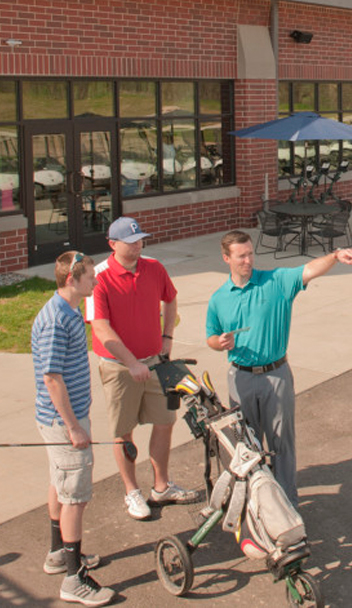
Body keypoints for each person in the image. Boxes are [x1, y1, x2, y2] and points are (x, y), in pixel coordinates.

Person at [206, 230, 352, 504]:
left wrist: (335, 256)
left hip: (276, 375)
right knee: (246, 445)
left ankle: (287, 501)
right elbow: (211, 337)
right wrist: (220, 342)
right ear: (226, 258)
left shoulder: (275, 281)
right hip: (240, 378)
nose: (248, 261)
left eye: (250, 254)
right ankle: (255, 502)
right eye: (241, 256)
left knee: (281, 443)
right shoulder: (219, 298)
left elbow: (309, 270)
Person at [91, 216, 202, 519]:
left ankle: (162, 486)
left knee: (166, 421)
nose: (138, 246)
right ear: (113, 244)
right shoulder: (98, 277)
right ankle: (132, 491)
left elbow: (171, 300)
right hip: (119, 368)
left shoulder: (154, 267)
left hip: (155, 363)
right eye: (131, 242)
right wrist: (130, 362)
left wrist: (167, 338)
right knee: (123, 431)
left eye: (140, 240)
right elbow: (100, 328)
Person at [31, 250, 114, 607]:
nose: (95, 280)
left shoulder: (69, 309)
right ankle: (73, 579)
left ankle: (58, 554)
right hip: (65, 423)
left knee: (59, 483)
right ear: (71, 280)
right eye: (90, 276)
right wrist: (73, 428)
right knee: (75, 497)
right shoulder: (55, 320)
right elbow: (51, 379)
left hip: (67, 419)